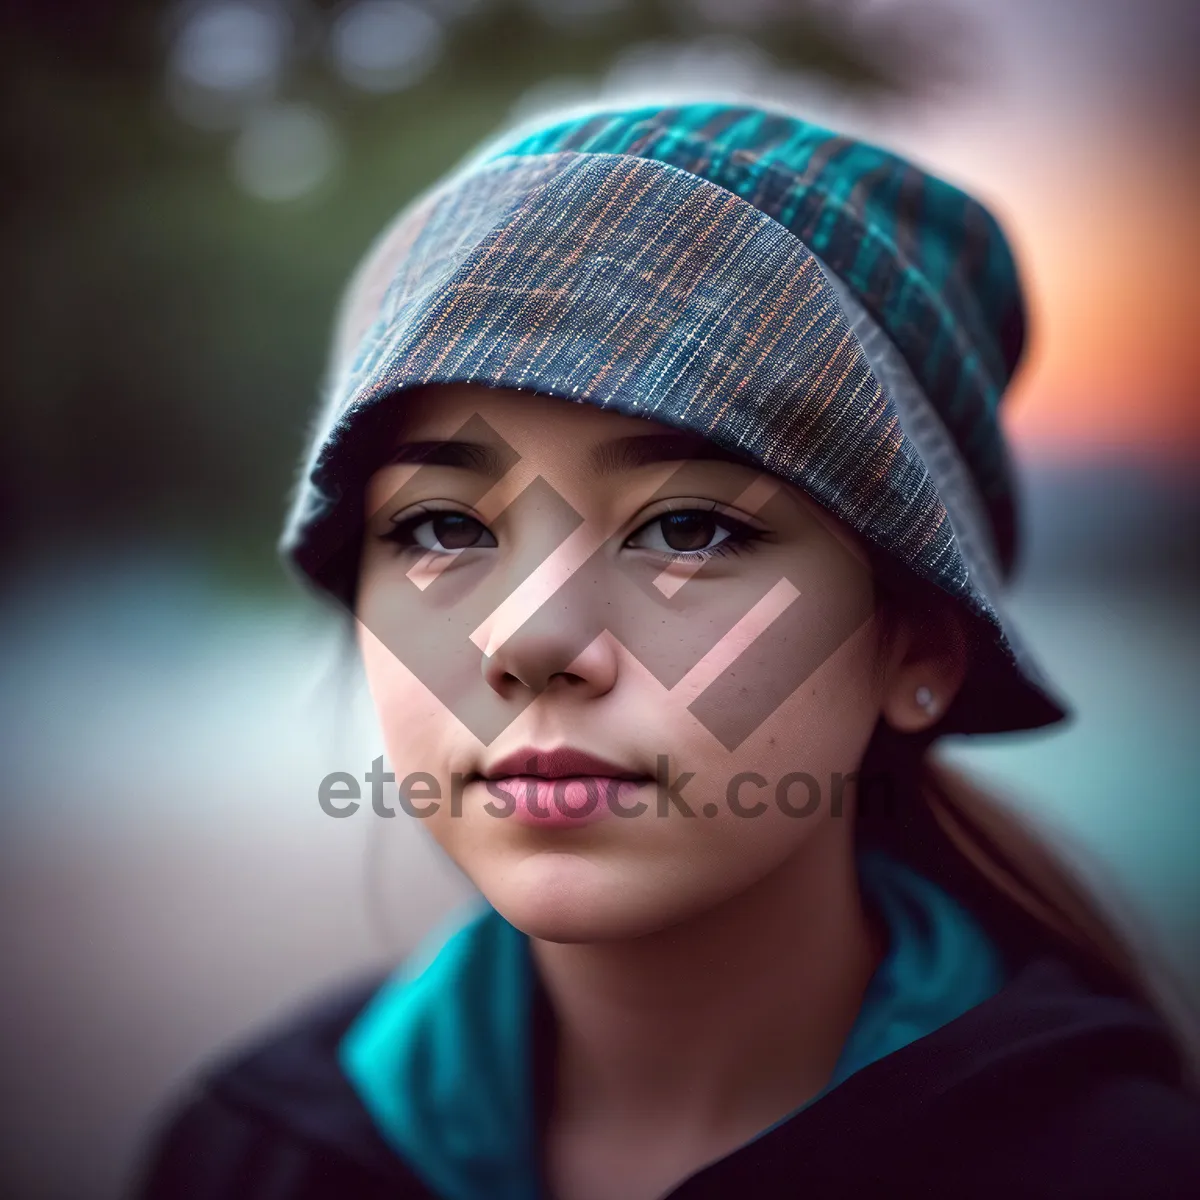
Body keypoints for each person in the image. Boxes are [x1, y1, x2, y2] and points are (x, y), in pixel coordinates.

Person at [133, 99, 1200, 1199]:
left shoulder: (1122, 1170)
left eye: (688, 528)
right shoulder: (241, 1157)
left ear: (915, 644)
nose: (533, 641)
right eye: (443, 528)